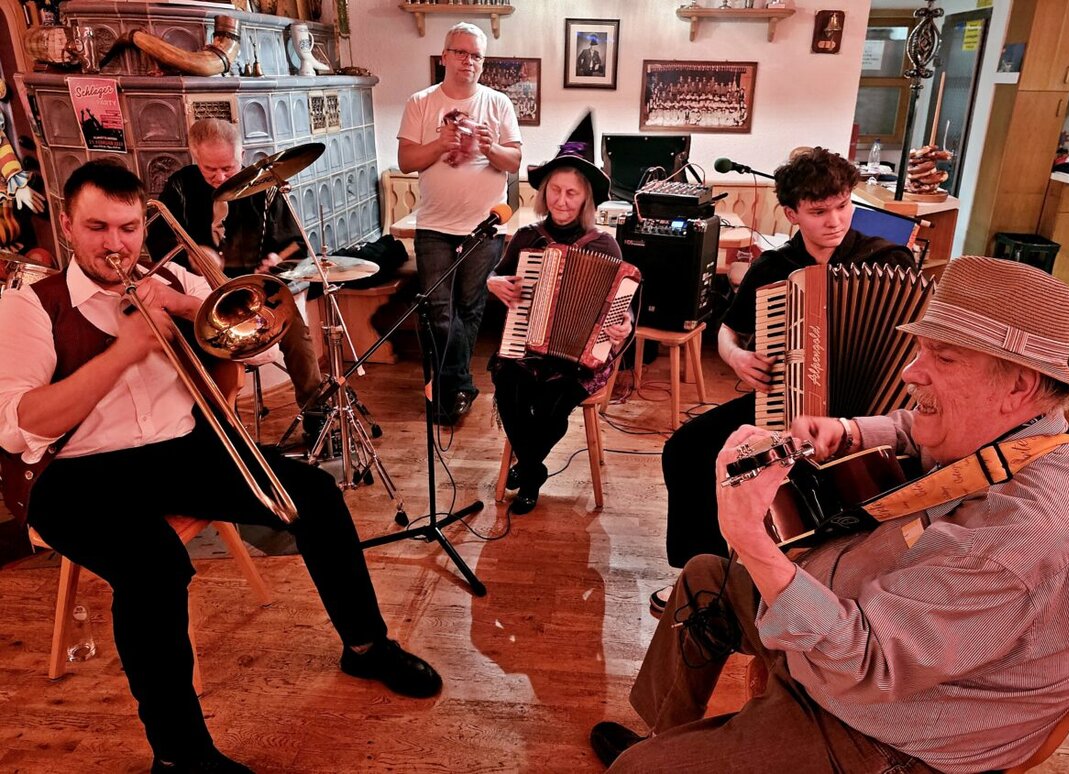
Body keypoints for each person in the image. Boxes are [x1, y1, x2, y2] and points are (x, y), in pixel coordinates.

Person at [0, 160, 441, 774]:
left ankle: (366, 645)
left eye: (128, 228)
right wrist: (126, 351)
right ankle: (180, 757)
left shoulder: (170, 274)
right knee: (154, 568)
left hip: (177, 448)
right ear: (68, 227)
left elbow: (255, 346)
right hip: (73, 471)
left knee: (314, 494)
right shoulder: (29, 305)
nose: (115, 244)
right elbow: (25, 425)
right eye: (97, 227)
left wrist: (182, 303)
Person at [592, 255, 1069, 773]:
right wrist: (850, 431)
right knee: (704, 580)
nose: (910, 372)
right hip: (846, 635)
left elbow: (867, 664)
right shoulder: (1018, 433)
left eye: (943, 358)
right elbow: (913, 429)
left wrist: (752, 541)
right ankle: (666, 735)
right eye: (921, 350)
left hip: (886, 727)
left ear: (1018, 385)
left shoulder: (1028, 531)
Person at [653, 147, 914, 613]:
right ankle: (709, 576)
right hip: (784, 403)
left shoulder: (889, 259)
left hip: (868, 410)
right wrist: (736, 358)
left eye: (842, 205)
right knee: (686, 451)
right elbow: (729, 328)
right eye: (818, 212)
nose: (834, 220)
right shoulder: (775, 268)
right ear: (792, 213)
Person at [486, 115, 631, 515]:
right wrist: (492, 282)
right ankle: (533, 469)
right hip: (525, 345)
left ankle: (527, 470)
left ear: (586, 199)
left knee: (552, 402)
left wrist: (623, 326)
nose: (561, 201)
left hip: (577, 359)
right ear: (544, 192)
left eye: (571, 193)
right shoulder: (527, 238)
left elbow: (624, 311)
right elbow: (499, 275)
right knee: (509, 386)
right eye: (554, 191)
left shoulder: (604, 246)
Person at [146, 118, 323, 426]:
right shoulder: (181, 186)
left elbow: (295, 245)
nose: (220, 177)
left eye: (228, 167)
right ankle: (209, 424)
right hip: (199, 292)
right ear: (195, 157)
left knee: (297, 335)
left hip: (256, 293)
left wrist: (274, 259)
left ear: (242, 155)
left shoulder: (264, 186)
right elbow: (158, 242)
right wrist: (192, 257)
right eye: (209, 169)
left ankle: (315, 415)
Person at [397, 22, 522, 425]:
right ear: (445, 56)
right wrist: (440, 144)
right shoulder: (420, 102)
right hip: (433, 224)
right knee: (439, 312)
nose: (469, 61)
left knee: (470, 310)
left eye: (477, 55)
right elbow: (406, 162)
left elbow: (515, 162)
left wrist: (490, 147)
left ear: (482, 63)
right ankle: (459, 385)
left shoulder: (499, 103)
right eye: (462, 52)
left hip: (484, 227)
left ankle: (448, 389)